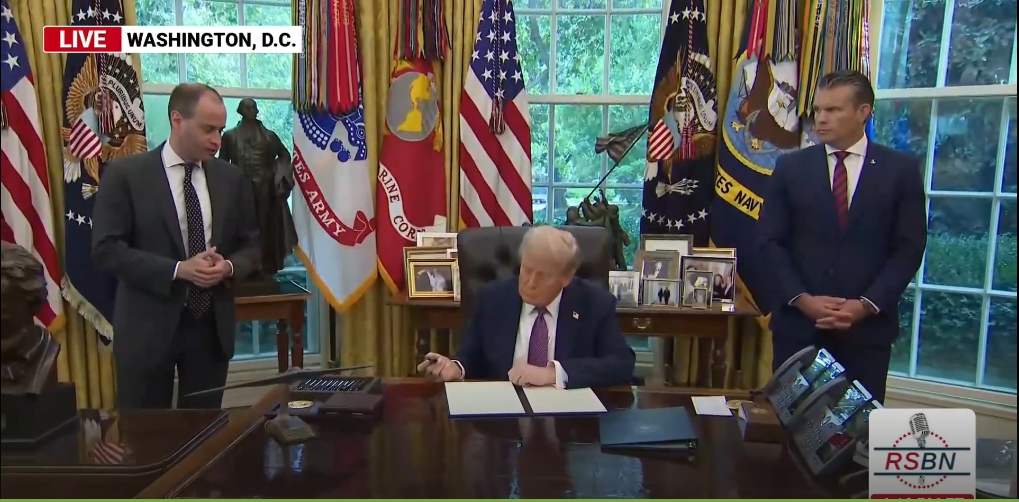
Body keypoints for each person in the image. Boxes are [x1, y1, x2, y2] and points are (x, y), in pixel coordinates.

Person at [758, 71, 926, 403]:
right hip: (799, 330)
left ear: (863, 112)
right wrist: (803, 299)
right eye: (818, 109)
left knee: (858, 429)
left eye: (833, 110)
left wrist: (866, 305)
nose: (820, 118)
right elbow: (769, 242)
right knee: (790, 424)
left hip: (866, 334)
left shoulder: (900, 171)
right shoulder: (790, 168)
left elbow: (909, 248)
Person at [92, 83, 261, 410]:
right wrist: (178, 270)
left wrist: (227, 267)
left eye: (221, 130)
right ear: (177, 119)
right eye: (208, 129)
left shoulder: (232, 179)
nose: (218, 140)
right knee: (145, 432)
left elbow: (252, 246)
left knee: (204, 431)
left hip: (210, 329)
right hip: (147, 327)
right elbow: (106, 250)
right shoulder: (125, 175)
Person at [417, 226, 635, 389]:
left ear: (566, 278)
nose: (530, 282)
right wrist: (455, 367)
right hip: (502, 416)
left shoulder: (594, 303)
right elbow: (472, 355)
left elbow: (621, 364)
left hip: (568, 420)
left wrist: (553, 374)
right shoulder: (492, 298)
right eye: (527, 270)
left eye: (543, 276)